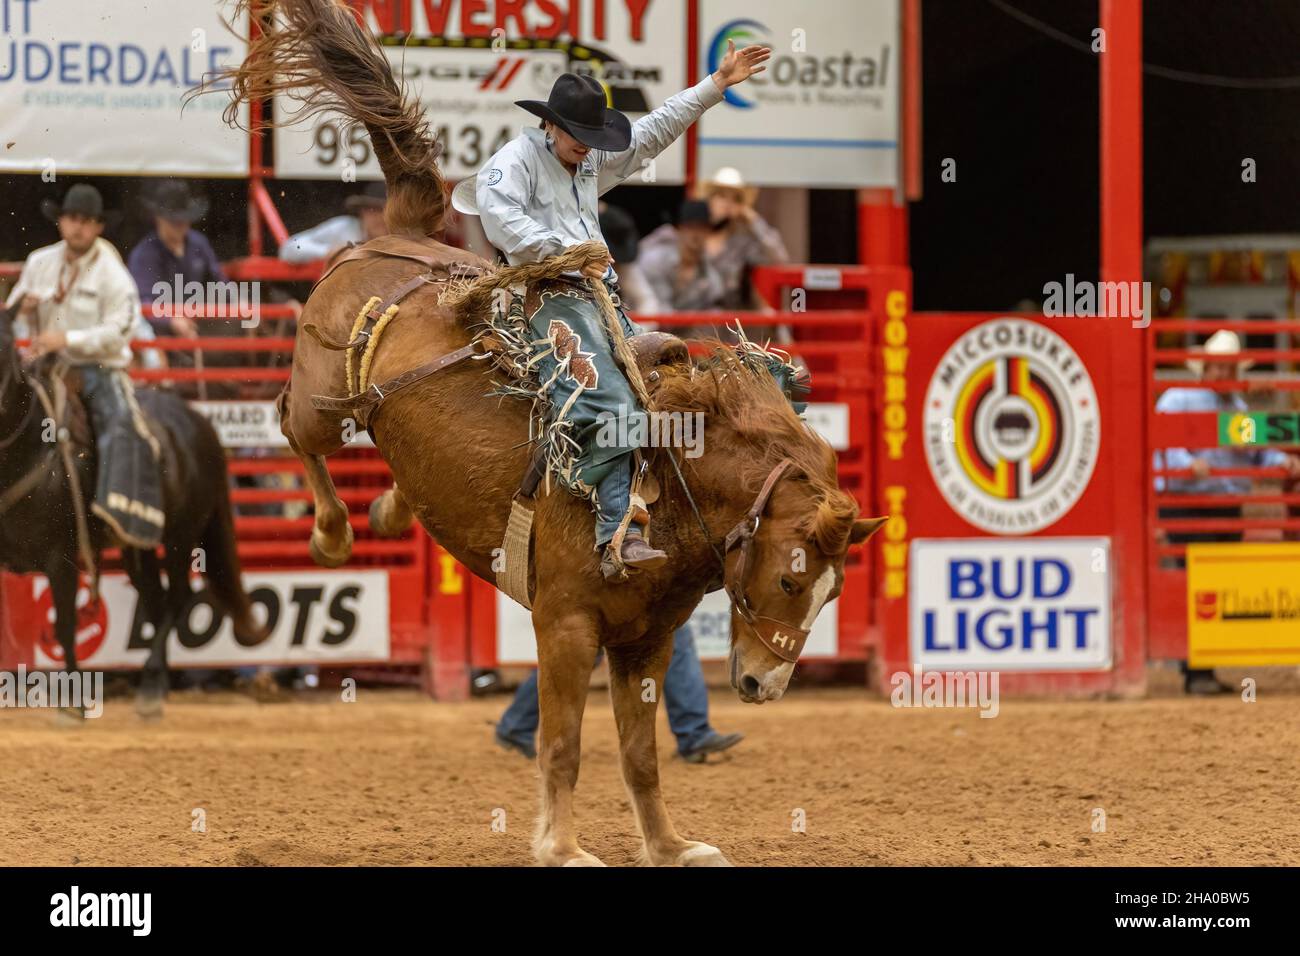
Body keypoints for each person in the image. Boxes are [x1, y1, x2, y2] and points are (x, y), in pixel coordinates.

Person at [463, 42, 770, 578]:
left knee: (662, 378)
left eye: (592, 138)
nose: (588, 148)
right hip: (545, 296)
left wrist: (715, 84)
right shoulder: (514, 163)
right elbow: (497, 214)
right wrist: (564, 252)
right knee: (603, 391)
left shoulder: (584, 160)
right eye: (580, 137)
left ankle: (655, 505)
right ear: (551, 128)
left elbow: (653, 131)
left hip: (597, 298)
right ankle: (615, 531)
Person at [6, 184, 163, 548]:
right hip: (44, 367)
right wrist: (22, 313)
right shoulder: (39, 263)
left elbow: (119, 331)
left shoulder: (112, 272)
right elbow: (9, 321)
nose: (78, 227)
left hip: (98, 370)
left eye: (86, 221)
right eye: (72, 219)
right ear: (61, 221)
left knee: (117, 424)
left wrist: (67, 339)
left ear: (98, 227)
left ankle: (112, 512)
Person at [1155, 329, 1300, 694]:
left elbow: (1255, 453)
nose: (1222, 375)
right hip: (1188, 506)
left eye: (1228, 369)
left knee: (1214, 585)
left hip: (1225, 506)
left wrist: (1280, 460)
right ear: (1204, 367)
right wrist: (1186, 465)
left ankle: (1202, 669)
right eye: (1217, 368)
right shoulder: (1179, 399)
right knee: (1196, 583)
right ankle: (1195, 671)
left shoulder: (1237, 407)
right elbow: (1164, 444)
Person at [497, 629, 743, 764]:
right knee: (674, 634)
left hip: (608, 575)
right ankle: (693, 733)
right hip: (621, 579)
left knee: (574, 654)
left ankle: (515, 725)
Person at [127, 180, 225, 339]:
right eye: (174, 221)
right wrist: (171, 320)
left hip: (198, 322)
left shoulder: (198, 244)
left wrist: (237, 304)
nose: (180, 225)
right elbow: (142, 301)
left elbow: (219, 283)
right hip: (162, 330)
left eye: (184, 220)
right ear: (159, 219)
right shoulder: (144, 255)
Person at [696, 166, 789, 311]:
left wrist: (753, 220)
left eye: (735, 199)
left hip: (726, 324)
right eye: (721, 196)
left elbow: (779, 259)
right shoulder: (691, 235)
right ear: (709, 199)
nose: (727, 204)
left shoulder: (741, 244)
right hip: (688, 321)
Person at [638, 199, 727, 318]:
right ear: (679, 229)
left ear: (708, 231)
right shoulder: (654, 261)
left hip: (684, 333)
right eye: (690, 227)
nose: (695, 234)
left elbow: (714, 312)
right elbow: (655, 311)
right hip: (642, 331)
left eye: (701, 228)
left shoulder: (710, 275)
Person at [279, 181, 389, 264]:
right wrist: (330, 252)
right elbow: (289, 248)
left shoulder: (403, 236)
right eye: (373, 211)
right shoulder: (344, 227)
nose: (380, 218)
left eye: (385, 211)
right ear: (362, 212)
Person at [596, 202, 663, 315]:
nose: (615, 261)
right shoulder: (584, 266)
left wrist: (637, 330)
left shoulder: (626, 267)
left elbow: (648, 303)